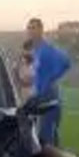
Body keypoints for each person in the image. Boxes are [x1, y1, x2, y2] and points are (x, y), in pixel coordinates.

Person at [25, 17, 71, 146]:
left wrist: (51, 77)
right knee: (41, 138)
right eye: (29, 28)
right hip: (38, 98)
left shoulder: (47, 49)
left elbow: (66, 62)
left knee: (46, 140)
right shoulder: (34, 51)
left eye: (34, 28)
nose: (31, 31)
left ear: (41, 30)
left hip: (49, 100)